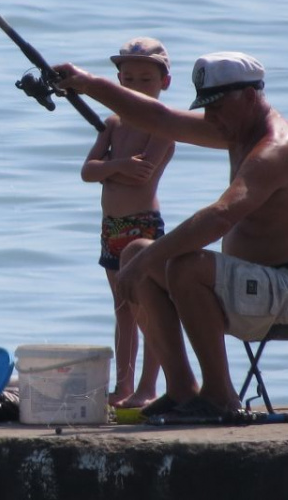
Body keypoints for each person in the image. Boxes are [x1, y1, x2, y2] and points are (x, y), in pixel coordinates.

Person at [56, 51, 288, 422]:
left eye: (217, 106)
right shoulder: (236, 130)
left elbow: (221, 215)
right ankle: (181, 391)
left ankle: (220, 397)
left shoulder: (277, 147)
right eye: (205, 108)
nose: (211, 118)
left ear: (250, 96)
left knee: (184, 266)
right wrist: (86, 82)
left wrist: (151, 258)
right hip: (261, 288)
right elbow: (158, 117)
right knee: (133, 253)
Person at [81, 38, 175, 408]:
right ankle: (123, 386)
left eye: (146, 80)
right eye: (129, 79)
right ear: (119, 81)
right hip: (112, 230)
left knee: (148, 309)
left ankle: (149, 386)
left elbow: (143, 174)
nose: (136, 87)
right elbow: (88, 171)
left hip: (142, 228)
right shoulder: (113, 123)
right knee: (122, 310)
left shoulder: (164, 125)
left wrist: (112, 169)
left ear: (164, 83)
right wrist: (117, 166)